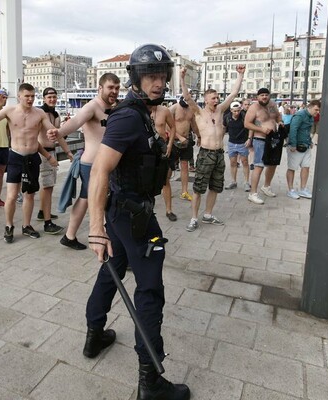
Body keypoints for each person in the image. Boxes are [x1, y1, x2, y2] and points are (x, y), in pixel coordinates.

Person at [85, 44, 190, 400]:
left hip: (124, 211)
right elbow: (99, 171)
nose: (158, 82)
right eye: (150, 76)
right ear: (136, 78)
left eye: (162, 76)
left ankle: (94, 334)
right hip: (134, 218)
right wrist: (96, 230)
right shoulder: (129, 117)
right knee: (149, 290)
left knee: (112, 268)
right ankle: (151, 380)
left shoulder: (145, 112)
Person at [47, 73, 121, 250]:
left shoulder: (115, 107)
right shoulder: (92, 107)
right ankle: (104, 241)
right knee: (94, 199)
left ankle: (70, 235)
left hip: (107, 164)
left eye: (117, 88)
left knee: (88, 198)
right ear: (100, 88)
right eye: (111, 88)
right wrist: (59, 132)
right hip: (91, 165)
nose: (114, 92)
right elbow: (75, 121)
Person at [0, 83, 58, 243]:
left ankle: (26, 225)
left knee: (29, 195)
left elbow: (51, 129)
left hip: (32, 158)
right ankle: (9, 226)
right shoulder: (9, 111)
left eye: (32, 96)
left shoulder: (39, 113)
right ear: (19, 96)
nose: (30, 99)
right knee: (11, 195)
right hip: (15, 156)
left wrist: (53, 135)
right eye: (27, 96)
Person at [181, 64, 246, 232]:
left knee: (216, 187)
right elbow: (187, 97)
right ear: (206, 100)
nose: (217, 100)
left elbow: (233, 94)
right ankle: (194, 218)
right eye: (213, 98)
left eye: (217, 98)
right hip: (205, 154)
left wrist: (240, 75)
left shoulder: (221, 110)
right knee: (198, 188)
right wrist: (181, 78)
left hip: (218, 154)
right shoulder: (199, 112)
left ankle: (208, 215)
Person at [37, 87, 72, 234]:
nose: (52, 99)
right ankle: (47, 222)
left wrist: (68, 152)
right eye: (49, 97)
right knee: (48, 187)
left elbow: (58, 136)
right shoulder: (41, 114)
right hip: (44, 154)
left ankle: (42, 212)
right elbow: (35, 138)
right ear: (44, 98)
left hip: (52, 152)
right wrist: (47, 156)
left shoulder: (56, 115)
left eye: (54, 97)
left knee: (47, 186)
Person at [244, 88, 283, 205]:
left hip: (273, 138)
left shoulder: (272, 105)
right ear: (257, 97)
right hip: (260, 139)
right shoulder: (254, 108)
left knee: (273, 164)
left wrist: (280, 122)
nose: (264, 97)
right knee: (259, 166)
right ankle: (253, 193)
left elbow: (278, 116)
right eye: (262, 95)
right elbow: (247, 124)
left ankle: (266, 186)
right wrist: (261, 129)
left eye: (266, 95)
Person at [286, 100, 321, 200]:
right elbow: (293, 129)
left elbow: (306, 131)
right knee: (292, 168)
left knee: (306, 167)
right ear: (310, 107)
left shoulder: (310, 117)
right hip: (296, 146)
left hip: (305, 145)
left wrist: (310, 141)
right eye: (316, 109)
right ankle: (291, 190)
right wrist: (292, 144)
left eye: (318, 110)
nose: (317, 112)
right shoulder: (300, 115)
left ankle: (303, 189)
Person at [150, 103, 178, 221]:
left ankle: (169, 210)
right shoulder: (141, 110)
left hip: (163, 149)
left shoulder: (165, 111)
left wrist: (170, 145)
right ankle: (148, 209)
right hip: (148, 150)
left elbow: (173, 127)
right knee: (147, 181)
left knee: (165, 180)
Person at [169, 97, 196, 201]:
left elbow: (193, 124)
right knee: (170, 166)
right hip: (174, 140)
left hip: (186, 141)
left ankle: (184, 191)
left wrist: (199, 136)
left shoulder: (191, 109)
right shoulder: (173, 109)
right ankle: (166, 186)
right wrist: (179, 137)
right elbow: (168, 127)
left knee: (185, 165)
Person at [223, 101, 250, 192]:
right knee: (233, 163)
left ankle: (246, 182)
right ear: (231, 110)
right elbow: (224, 129)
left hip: (243, 143)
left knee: (245, 162)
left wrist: (249, 139)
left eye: (238, 110)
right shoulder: (227, 118)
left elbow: (250, 127)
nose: (237, 113)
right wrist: (220, 141)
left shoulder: (244, 116)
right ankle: (233, 181)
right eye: (234, 111)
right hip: (231, 143)